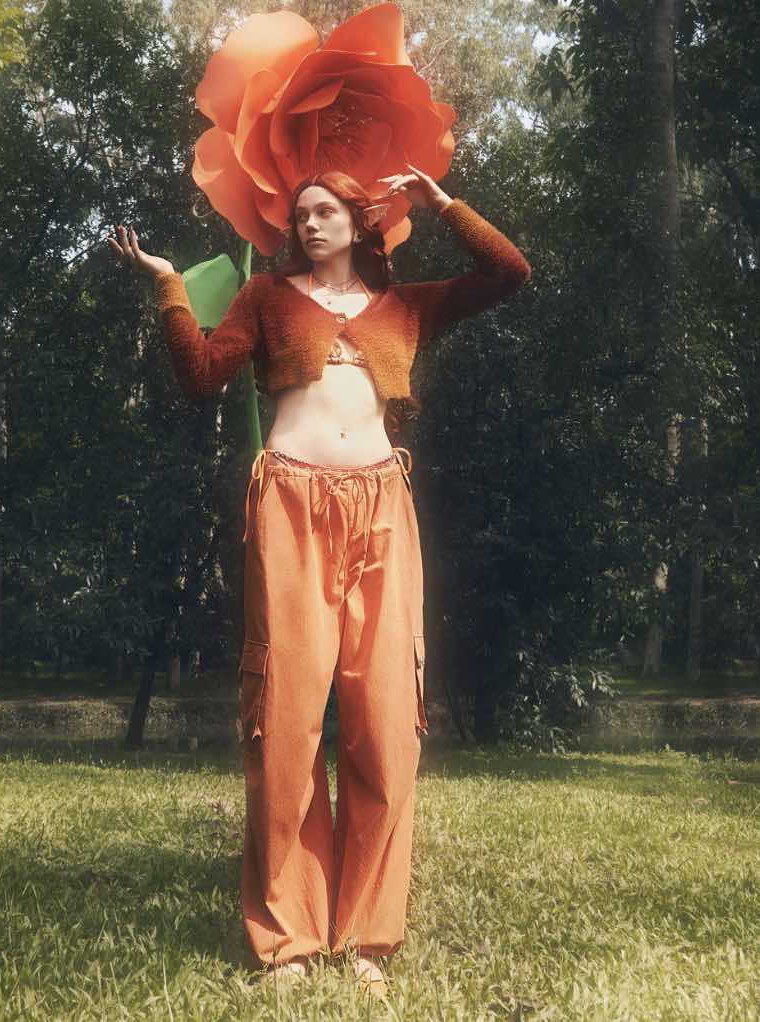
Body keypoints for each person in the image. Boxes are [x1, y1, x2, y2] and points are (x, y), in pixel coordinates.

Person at [107, 164, 531, 998]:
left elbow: (508, 272)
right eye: (301, 213)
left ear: (359, 220)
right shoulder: (267, 296)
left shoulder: (405, 305)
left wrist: (442, 204)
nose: (309, 223)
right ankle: (289, 943)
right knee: (287, 720)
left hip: (382, 509)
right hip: (291, 505)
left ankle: (366, 940)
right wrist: (168, 288)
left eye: (326, 210)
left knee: (387, 721)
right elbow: (201, 375)